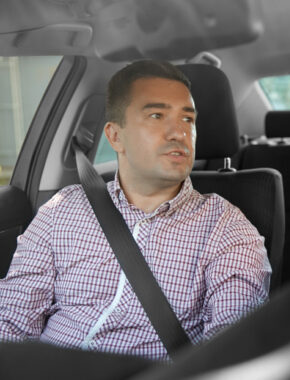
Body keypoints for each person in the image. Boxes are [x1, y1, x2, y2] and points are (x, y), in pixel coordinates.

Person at [0, 60, 272, 360]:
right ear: (115, 136)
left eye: (188, 119)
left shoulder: (227, 228)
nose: (179, 133)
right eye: (157, 115)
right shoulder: (63, 209)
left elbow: (229, 352)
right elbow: (12, 319)